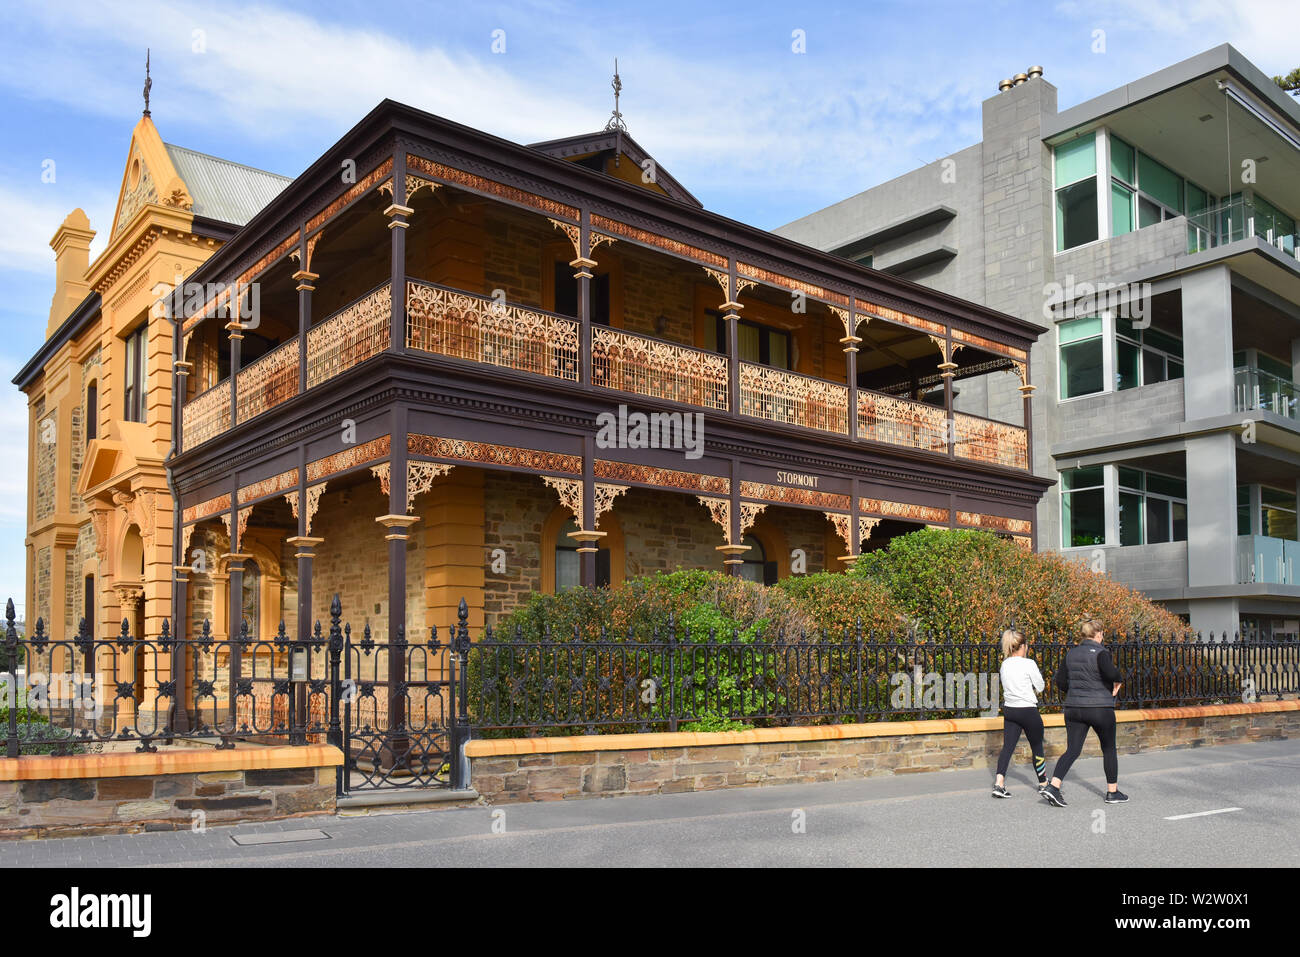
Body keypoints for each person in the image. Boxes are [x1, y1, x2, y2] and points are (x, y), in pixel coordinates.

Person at [1041, 618, 1128, 806]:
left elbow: (1060, 681)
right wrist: (1119, 679)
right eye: (1102, 633)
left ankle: (1053, 786)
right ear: (1097, 634)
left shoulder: (1070, 654)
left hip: (1074, 708)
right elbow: (1112, 674)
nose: (1102, 636)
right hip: (1099, 708)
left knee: (1072, 749)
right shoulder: (1101, 653)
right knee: (1108, 749)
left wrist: (1075, 693)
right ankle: (1112, 792)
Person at [992, 629, 1048, 798]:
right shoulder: (1028, 663)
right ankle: (1044, 783)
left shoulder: (1005, 664)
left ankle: (999, 783)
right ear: (1023, 646)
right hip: (1028, 710)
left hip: (1010, 710)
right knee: (1037, 746)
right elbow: (1040, 686)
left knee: (1008, 747)